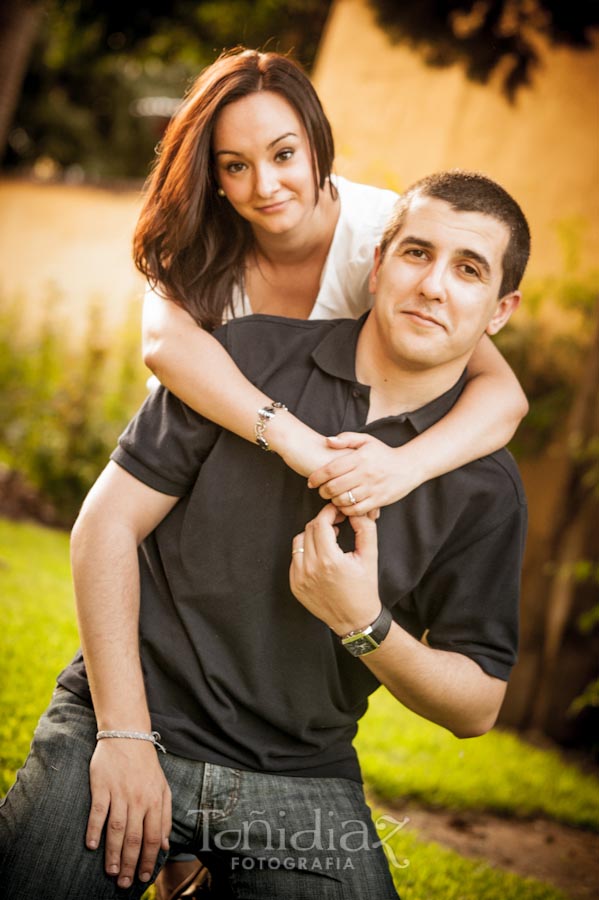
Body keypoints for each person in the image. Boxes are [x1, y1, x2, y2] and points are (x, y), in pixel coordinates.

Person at [0, 169, 530, 900]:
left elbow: (477, 705)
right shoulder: (243, 360)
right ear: (376, 266)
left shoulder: (484, 488)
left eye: (467, 270)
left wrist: (363, 624)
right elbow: (107, 524)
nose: (434, 285)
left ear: (499, 311)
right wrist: (123, 737)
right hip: (131, 723)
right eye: (416, 253)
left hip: (300, 776)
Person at [135, 47, 528, 519]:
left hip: (318, 503)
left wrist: (403, 468)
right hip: (185, 478)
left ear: (317, 143)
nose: (266, 186)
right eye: (236, 165)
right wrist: (294, 442)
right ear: (214, 175)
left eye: (284, 155)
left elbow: (503, 395)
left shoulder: (388, 239)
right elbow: (163, 344)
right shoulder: (200, 243)